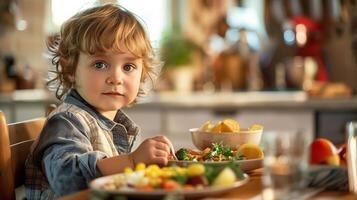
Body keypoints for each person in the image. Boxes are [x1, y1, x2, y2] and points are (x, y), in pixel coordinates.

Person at [25, 4, 174, 199]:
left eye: (128, 66)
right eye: (100, 64)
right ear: (70, 71)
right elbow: (67, 179)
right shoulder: (67, 121)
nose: (116, 78)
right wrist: (132, 160)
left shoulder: (119, 125)